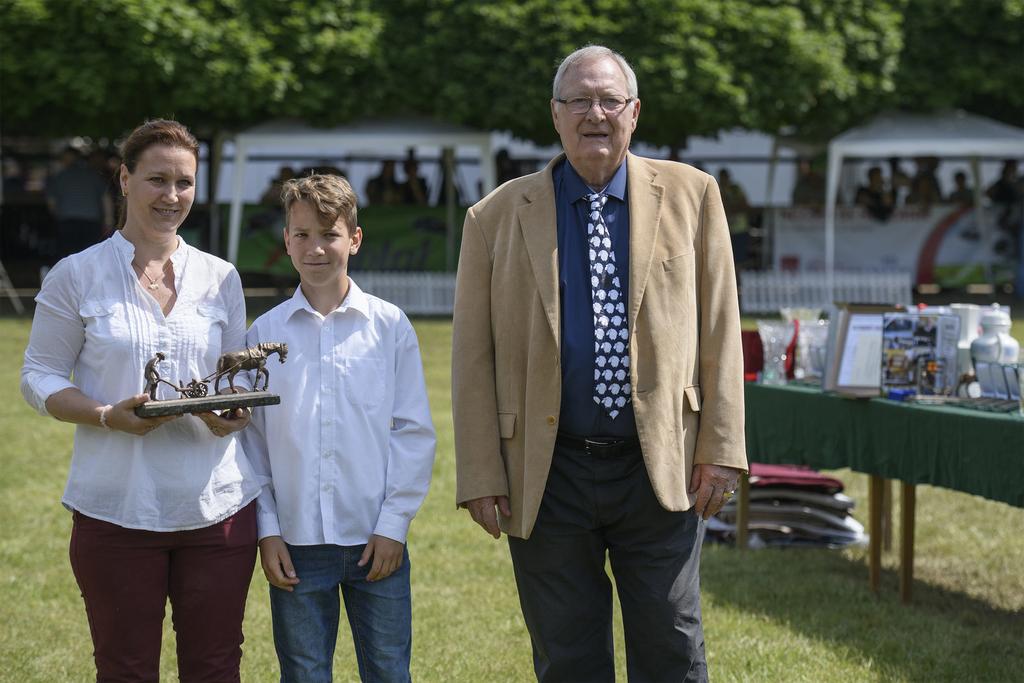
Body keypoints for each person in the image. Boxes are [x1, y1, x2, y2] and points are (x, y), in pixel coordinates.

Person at [451, 45, 746, 682]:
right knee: (568, 657)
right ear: (554, 116)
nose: (595, 113)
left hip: (659, 465)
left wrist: (720, 446)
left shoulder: (694, 197)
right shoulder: (495, 215)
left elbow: (721, 329)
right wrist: (480, 470)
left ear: (634, 113)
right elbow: (472, 356)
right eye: (579, 100)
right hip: (546, 470)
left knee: (672, 645)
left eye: (609, 100)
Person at [20, 119, 261, 682]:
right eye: (157, 179)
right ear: (124, 180)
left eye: (184, 183)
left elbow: (232, 376)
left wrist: (230, 412)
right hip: (115, 509)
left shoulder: (221, 277)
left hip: (216, 511)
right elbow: (39, 375)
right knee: (125, 669)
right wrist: (105, 415)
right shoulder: (75, 275)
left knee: (216, 668)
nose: (171, 196)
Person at [243, 174, 436, 683]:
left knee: (390, 670)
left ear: (354, 238)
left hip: (375, 538)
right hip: (296, 542)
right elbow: (252, 443)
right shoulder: (263, 335)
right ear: (285, 240)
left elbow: (412, 430)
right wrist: (268, 530)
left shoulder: (390, 326)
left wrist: (394, 524)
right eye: (301, 234)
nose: (315, 248)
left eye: (329, 234)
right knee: (304, 673)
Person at [46, 146, 113, 263]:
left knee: (67, 259)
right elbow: (105, 198)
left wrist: (59, 216)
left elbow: (51, 203)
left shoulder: (58, 177)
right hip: (91, 222)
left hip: (67, 221)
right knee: (91, 258)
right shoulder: (93, 175)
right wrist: (108, 221)